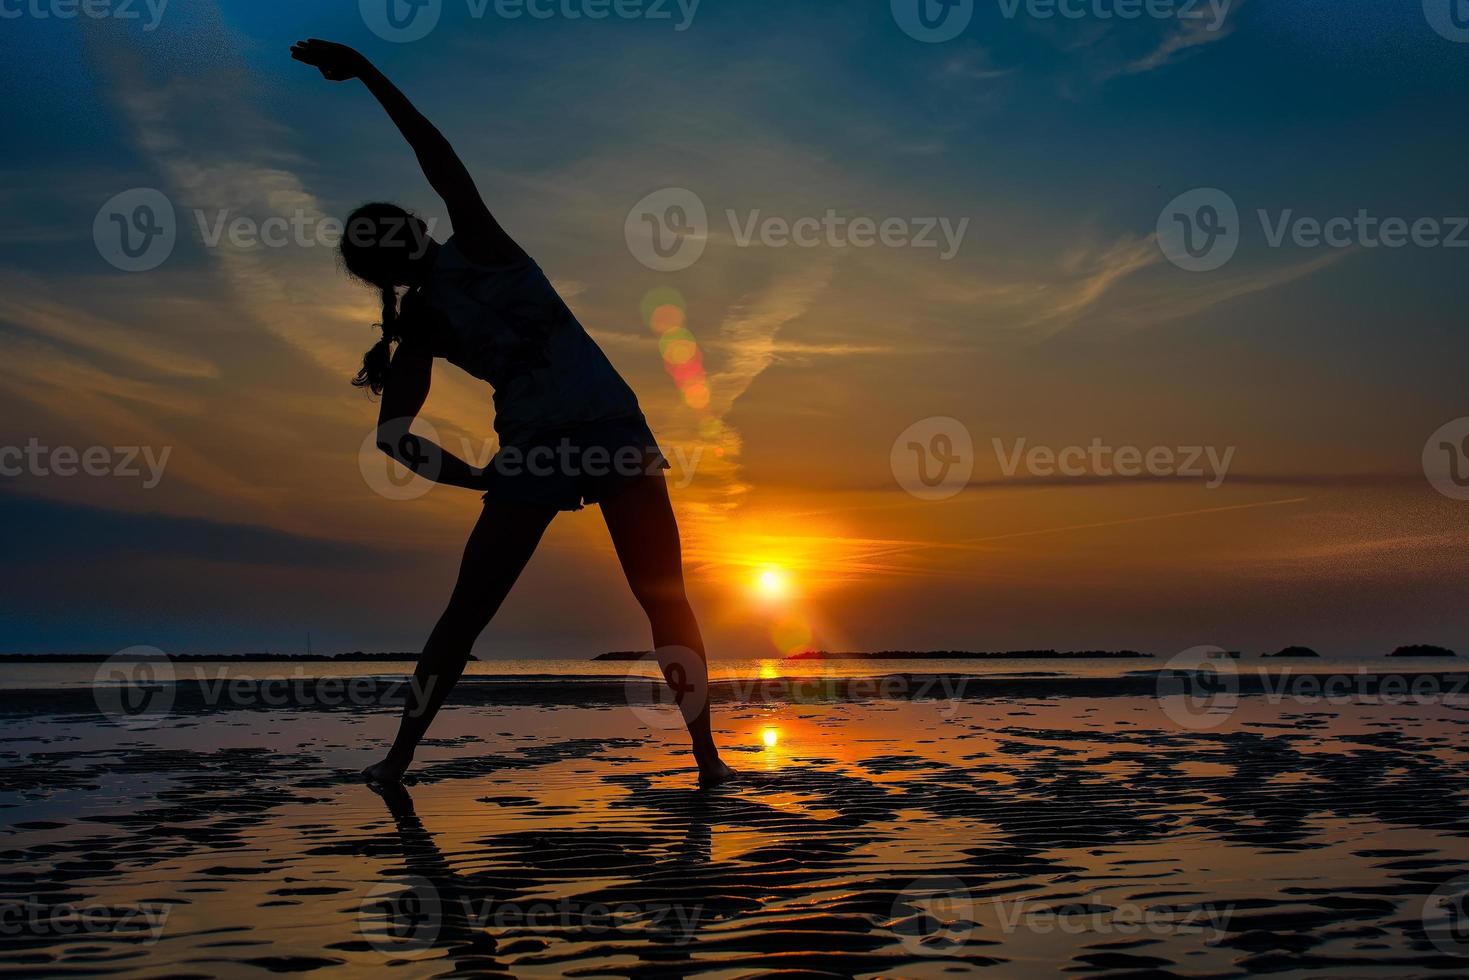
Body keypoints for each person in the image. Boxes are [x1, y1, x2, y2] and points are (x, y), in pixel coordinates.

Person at [290, 39, 733, 788]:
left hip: (572, 441)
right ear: (408, 240)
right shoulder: (442, 298)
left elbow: (393, 438)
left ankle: (397, 762)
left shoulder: (461, 274)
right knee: (639, 603)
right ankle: (707, 761)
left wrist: (473, 479)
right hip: (580, 436)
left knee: (480, 617)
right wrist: (363, 71)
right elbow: (392, 434)